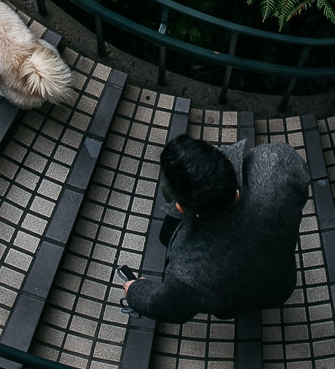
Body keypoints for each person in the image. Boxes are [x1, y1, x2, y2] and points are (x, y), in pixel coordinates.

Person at [119, 133, 310, 322]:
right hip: (280, 284)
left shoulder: (189, 271)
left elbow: (166, 307)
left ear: (179, 207)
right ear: (227, 159)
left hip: (234, 302)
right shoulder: (278, 166)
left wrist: (135, 291)